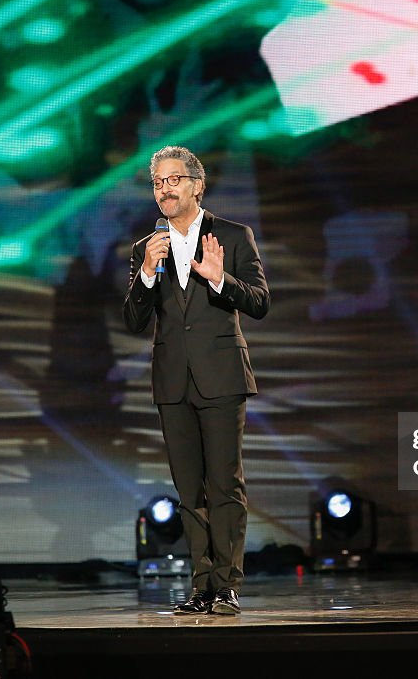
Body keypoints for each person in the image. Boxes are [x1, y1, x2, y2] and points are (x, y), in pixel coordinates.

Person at [123, 146, 270, 615]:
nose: (165, 189)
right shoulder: (146, 248)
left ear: (197, 185)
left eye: (173, 180)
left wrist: (220, 278)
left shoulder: (231, 235)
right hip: (172, 382)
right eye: (158, 183)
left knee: (225, 486)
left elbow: (261, 301)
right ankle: (201, 586)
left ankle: (228, 585)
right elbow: (132, 320)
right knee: (189, 492)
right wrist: (146, 275)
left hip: (222, 376)